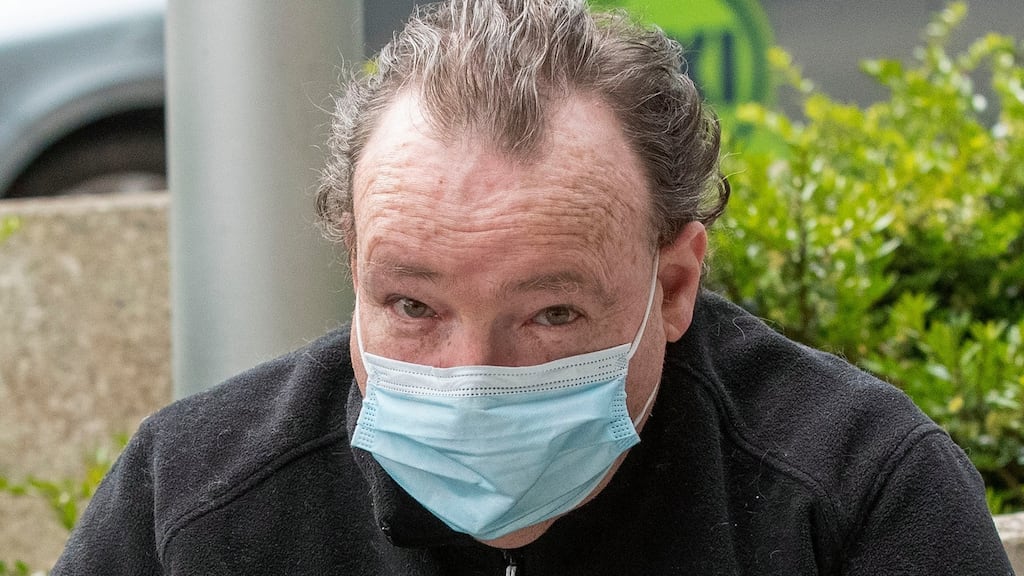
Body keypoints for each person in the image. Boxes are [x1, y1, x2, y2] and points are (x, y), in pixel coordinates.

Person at [54, 0, 1012, 574]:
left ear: (673, 284)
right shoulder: (197, 502)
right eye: (413, 307)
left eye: (552, 313)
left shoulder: (853, 493)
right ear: (354, 268)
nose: (472, 379)